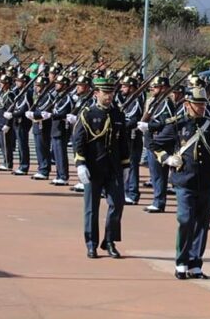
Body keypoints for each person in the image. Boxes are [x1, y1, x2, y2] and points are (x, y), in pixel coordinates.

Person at [150, 86, 210, 280]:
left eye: (202, 104)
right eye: (196, 104)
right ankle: (181, 262)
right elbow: (154, 144)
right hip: (184, 179)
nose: (200, 108)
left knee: (201, 224)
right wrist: (166, 158)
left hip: (206, 180)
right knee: (185, 220)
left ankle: (195, 263)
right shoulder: (177, 124)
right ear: (187, 104)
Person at [72, 78, 129, 259]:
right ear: (96, 93)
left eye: (111, 93)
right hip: (93, 167)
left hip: (113, 168)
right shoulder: (88, 114)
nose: (109, 96)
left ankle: (110, 241)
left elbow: (123, 142)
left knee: (117, 204)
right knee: (91, 208)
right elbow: (78, 141)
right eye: (105, 93)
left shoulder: (118, 114)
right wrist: (80, 164)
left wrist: (126, 164)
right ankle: (92, 244)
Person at [137, 76, 174, 213]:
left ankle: (159, 202)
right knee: (155, 173)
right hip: (152, 142)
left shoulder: (165, 104)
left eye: (156, 86)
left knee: (159, 174)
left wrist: (149, 126)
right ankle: (157, 200)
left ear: (164, 88)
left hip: (160, 143)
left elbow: (166, 123)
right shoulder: (156, 102)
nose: (153, 89)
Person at [118, 76, 145, 205]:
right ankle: (126, 191)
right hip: (125, 137)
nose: (122, 88)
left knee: (133, 165)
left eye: (125, 86)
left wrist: (121, 125)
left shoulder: (136, 100)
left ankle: (133, 193)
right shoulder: (127, 100)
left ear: (132, 87)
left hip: (132, 138)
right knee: (125, 165)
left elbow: (134, 119)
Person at [25, 76, 53, 180]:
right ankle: (41, 168)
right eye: (36, 85)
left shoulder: (47, 96)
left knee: (43, 147)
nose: (37, 87)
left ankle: (44, 170)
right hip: (37, 125)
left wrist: (33, 114)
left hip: (43, 125)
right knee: (38, 148)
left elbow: (43, 111)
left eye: (39, 85)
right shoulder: (38, 96)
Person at [5, 74, 32, 176]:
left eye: (19, 81)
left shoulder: (27, 94)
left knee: (23, 145)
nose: (16, 82)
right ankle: (21, 165)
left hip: (23, 122)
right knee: (21, 145)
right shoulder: (19, 92)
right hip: (17, 122)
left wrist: (12, 114)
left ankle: (24, 166)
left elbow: (24, 109)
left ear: (24, 83)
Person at [49, 75, 73, 186]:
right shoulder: (59, 97)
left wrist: (51, 115)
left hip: (62, 128)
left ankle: (63, 176)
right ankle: (59, 175)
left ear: (64, 85)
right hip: (55, 127)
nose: (56, 85)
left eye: (59, 83)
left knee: (60, 153)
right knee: (56, 153)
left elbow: (64, 113)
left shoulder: (66, 98)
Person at [0, 75, 15, 172]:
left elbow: (10, 110)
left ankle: (8, 163)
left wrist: (8, 124)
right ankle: (5, 161)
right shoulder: (2, 94)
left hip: (4, 123)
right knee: (2, 144)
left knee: (6, 144)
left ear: (7, 84)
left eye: (3, 83)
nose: (1, 84)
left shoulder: (10, 94)